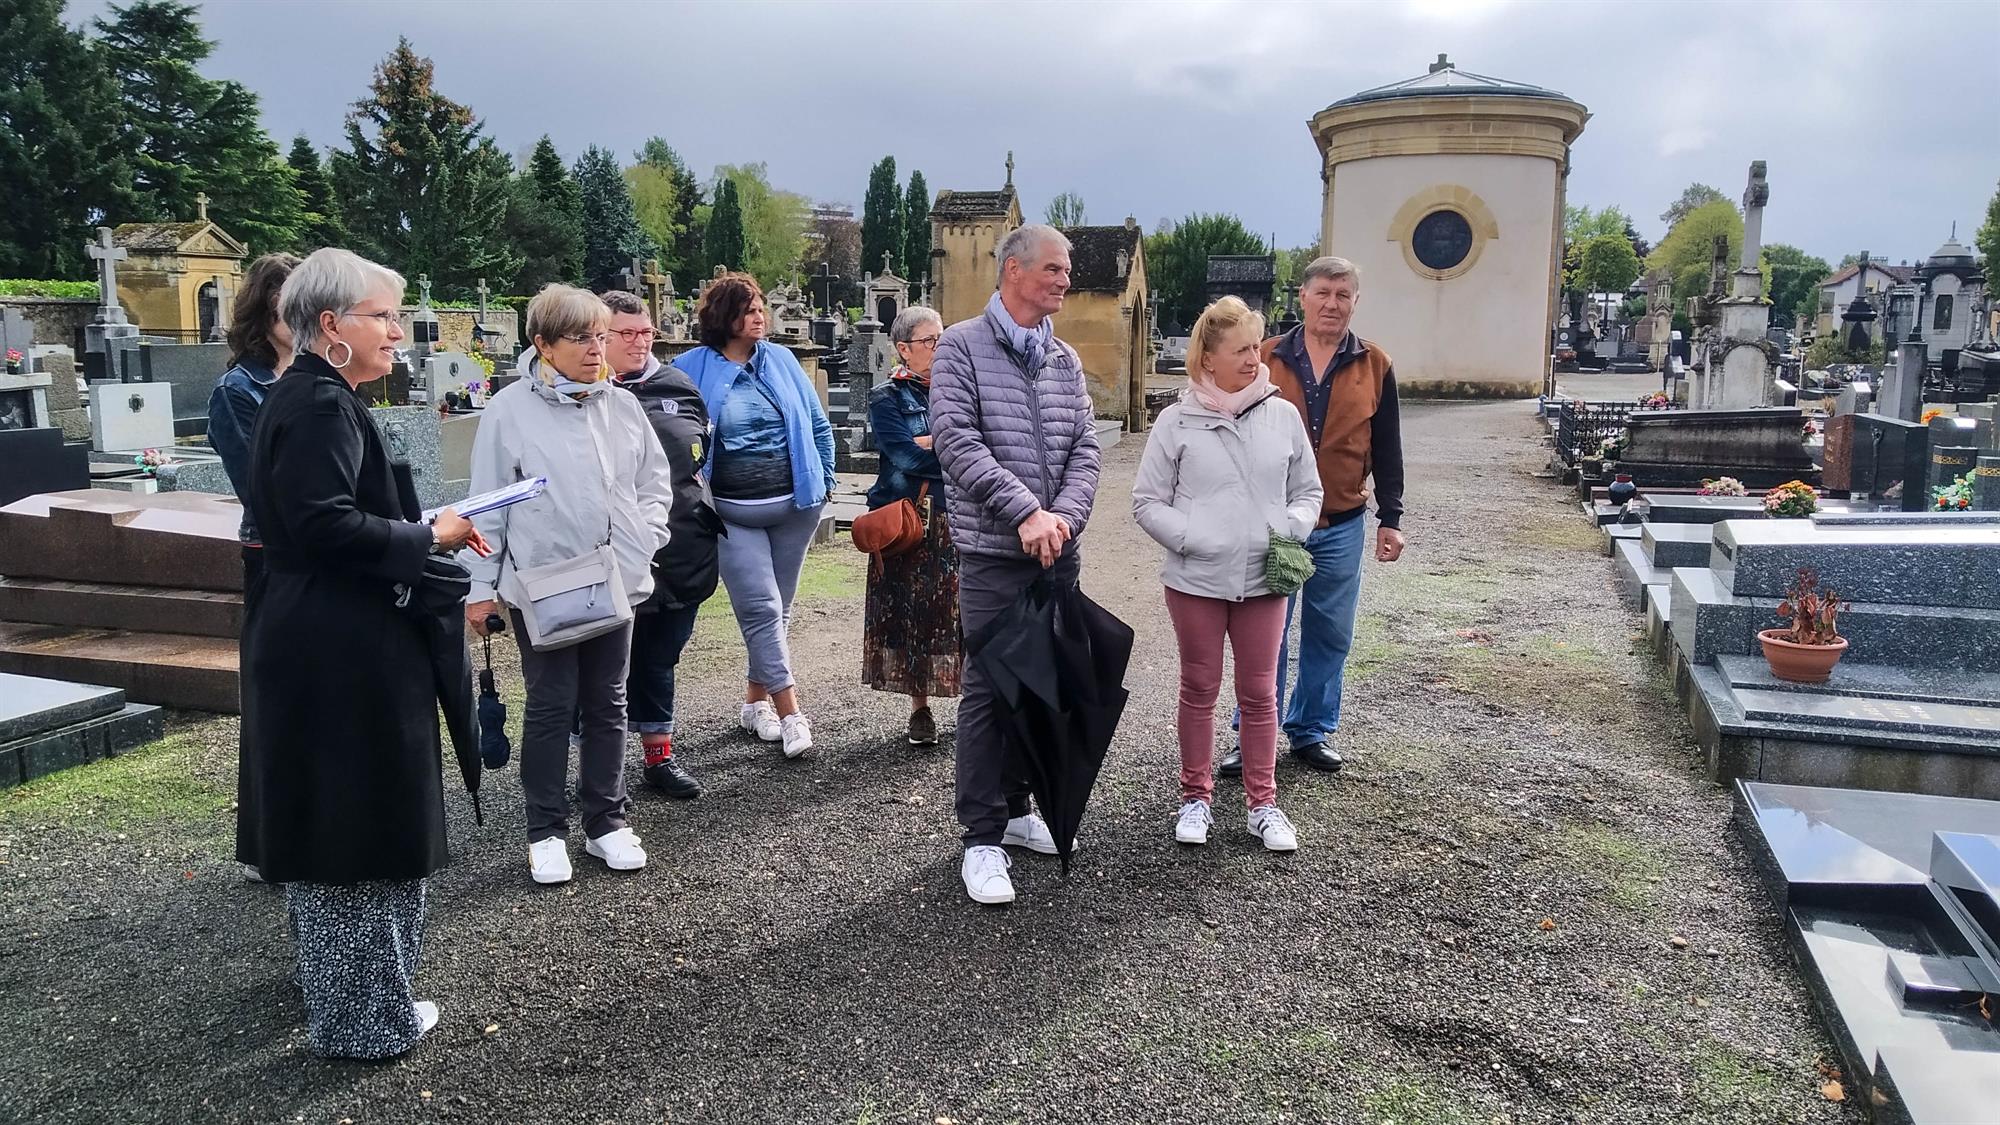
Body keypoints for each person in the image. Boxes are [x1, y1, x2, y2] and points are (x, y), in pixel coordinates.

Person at [236, 247, 487, 1059]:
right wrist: (431, 534)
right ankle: (362, 1023)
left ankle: (370, 1004)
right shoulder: (316, 405)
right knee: (353, 828)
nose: (396, 334)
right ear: (331, 323)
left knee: (362, 820)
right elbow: (323, 526)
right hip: (337, 649)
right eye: (382, 316)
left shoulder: (316, 395)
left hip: (334, 637)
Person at [461, 285, 673, 886]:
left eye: (600, 336)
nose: (595, 348)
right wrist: (481, 587)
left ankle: (605, 821)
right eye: (580, 338)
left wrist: (646, 538)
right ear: (543, 345)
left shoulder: (621, 405)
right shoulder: (509, 410)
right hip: (544, 581)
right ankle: (545, 830)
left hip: (614, 578)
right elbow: (490, 503)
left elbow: (653, 481)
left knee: (609, 702)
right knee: (552, 704)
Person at [931, 224, 1101, 905]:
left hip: (1057, 551)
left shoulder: (1064, 360)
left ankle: (1021, 807)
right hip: (997, 554)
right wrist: (1025, 511)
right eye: (1056, 269)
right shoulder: (961, 346)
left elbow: (1087, 448)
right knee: (988, 691)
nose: (1066, 279)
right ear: (1013, 271)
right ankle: (981, 836)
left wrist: (1062, 518)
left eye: (1067, 270)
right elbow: (957, 439)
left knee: (1043, 684)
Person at [1132, 297, 1321, 852]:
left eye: (1254, 348)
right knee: (1199, 686)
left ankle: (1264, 804)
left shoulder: (1282, 414)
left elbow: (1309, 491)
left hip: (1265, 577)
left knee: (1261, 692)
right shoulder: (1176, 420)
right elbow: (1146, 502)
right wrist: (1194, 538)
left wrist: (1287, 529)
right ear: (1207, 358)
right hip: (1196, 579)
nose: (1251, 359)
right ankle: (1196, 797)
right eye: (1239, 350)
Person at [1217, 255, 1404, 779]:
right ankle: (1255, 731)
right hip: (1273, 524)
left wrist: (1391, 516)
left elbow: (1387, 447)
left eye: (1343, 295)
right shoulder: (1268, 356)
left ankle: (1311, 730)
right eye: (1323, 292)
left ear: (1355, 302)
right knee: (1264, 635)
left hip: (1341, 522)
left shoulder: (1375, 364)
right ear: (1303, 296)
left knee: (1330, 633)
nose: (1332, 303)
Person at [672, 272, 834, 761]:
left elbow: (818, 423)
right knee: (761, 610)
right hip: (731, 516)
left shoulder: (782, 360)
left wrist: (825, 480)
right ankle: (791, 713)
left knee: (778, 612)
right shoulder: (689, 367)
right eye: (748, 309)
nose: (760, 316)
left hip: (796, 508)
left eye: (762, 306)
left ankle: (753, 704)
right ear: (724, 318)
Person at [602, 290, 714, 799]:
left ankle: (659, 756)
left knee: (661, 655)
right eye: (625, 333)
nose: (638, 341)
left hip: (682, 546)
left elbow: (701, 446)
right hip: (613, 552)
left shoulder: (674, 383)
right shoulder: (584, 393)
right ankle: (599, 765)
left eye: (644, 332)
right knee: (606, 662)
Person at [210, 251, 297, 885]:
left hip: (321, 553)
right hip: (275, 555)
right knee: (276, 699)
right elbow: (258, 487)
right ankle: (272, 844)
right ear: (265, 313)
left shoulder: (321, 378)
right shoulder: (238, 391)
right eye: (286, 307)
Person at [861, 306, 961, 746]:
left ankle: (974, 703)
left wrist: (933, 443)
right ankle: (920, 709)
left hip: (958, 517)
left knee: (961, 614)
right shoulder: (887, 398)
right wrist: (950, 448)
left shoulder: (960, 389)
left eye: (942, 337)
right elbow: (905, 456)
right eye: (929, 341)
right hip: (913, 521)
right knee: (915, 614)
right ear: (903, 349)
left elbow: (984, 442)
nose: (940, 347)